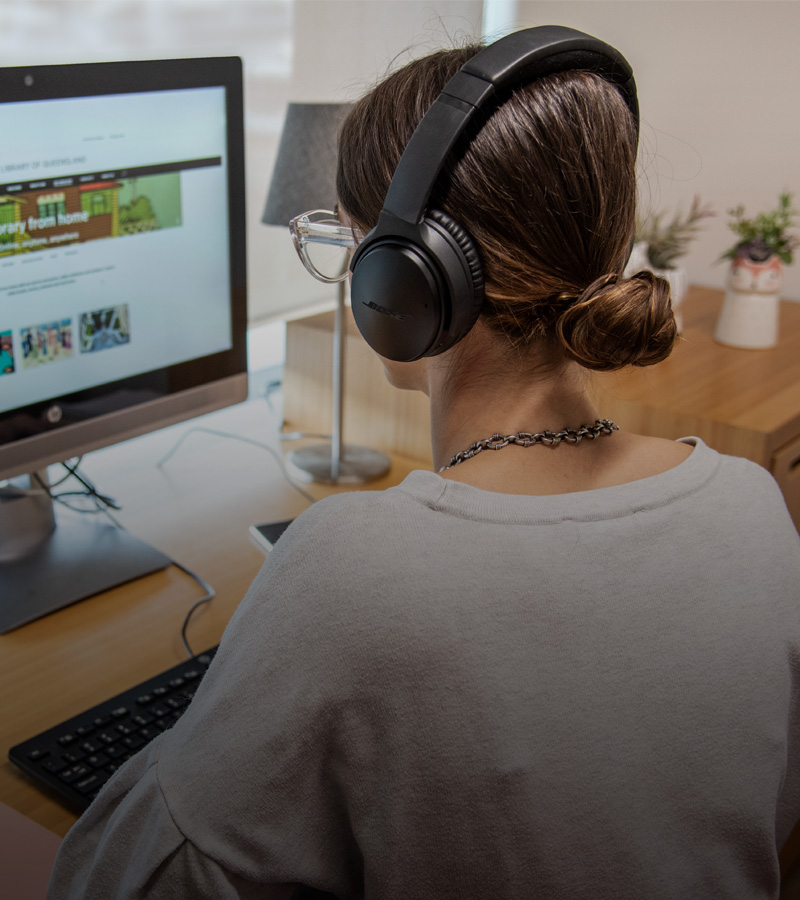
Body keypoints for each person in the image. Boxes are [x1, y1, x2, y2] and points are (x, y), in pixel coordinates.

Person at [48, 28, 800, 900]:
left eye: (355, 238)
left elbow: (123, 880)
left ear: (405, 278)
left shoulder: (356, 566)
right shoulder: (751, 506)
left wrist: (232, 716)